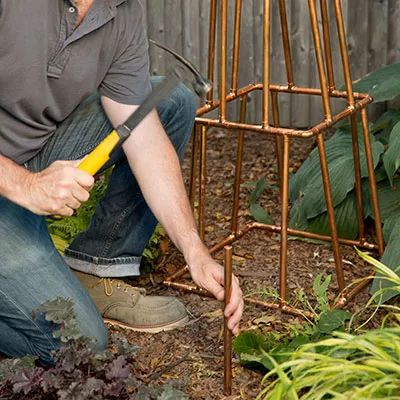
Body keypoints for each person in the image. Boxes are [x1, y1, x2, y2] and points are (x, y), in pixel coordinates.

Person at [0, 0, 244, 365]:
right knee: (78, 344)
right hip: (12, 177)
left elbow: (144, 140)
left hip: (32, 154)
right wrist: (25, 186)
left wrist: (195, 251)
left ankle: (93, 268)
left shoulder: (121, 10)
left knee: (165, 102)